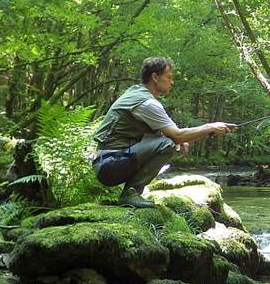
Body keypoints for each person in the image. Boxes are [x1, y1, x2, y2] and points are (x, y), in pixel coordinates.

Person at [92, 57, 236, 208]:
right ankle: (130, 195)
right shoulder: (146, 103)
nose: (172, 82)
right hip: (109, 165)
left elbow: (170, 134)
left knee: (167, 140)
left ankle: (132, 193)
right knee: (167, 144)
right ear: (155, 77)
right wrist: (210, 127)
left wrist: (183, 138)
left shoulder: (136, 93)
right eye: (169, 77)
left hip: (106, 162)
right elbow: (177, 135)